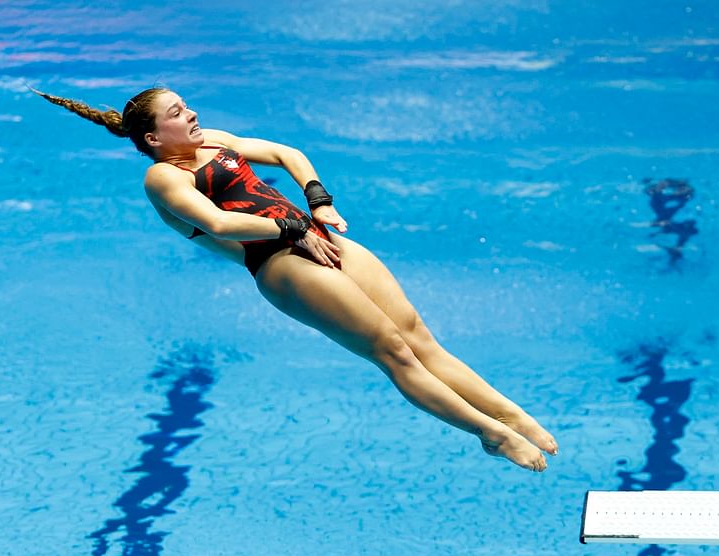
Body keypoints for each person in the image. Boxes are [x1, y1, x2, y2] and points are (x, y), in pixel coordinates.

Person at [33, 86, 557, 472]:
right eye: (177, 113)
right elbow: (217, 223)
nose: (191, 113)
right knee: (392, 351)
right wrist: (288, 227)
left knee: (419, 336)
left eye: (186, 105)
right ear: (153, 136)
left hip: (314, 234)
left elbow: (285, 154)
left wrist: (317, 200)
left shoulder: (213, 141)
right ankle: (489, 433)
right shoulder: (163, 177)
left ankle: (510, 415)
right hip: (280, 264)